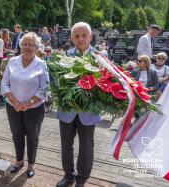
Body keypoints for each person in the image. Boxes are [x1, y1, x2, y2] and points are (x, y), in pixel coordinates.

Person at [56, 22, 101, 187]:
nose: (80, 39)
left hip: (88, 112)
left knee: (86, 147)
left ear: (90, 37)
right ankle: (68, 175)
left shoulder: (100, 57)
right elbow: (56, 81)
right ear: (72, 38)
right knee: (66, 146)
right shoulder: (64, 56)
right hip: (67, 110)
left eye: (84, 35)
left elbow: (106, 84)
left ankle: (81, 179)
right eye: (77, 36)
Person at [1, 32, 49, 178]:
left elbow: (44, 88)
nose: (27, 47)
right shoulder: (12, 61)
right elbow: (4, 83)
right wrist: (15, 102)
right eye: (24, 44)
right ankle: (19, 161)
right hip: (12, 106)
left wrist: (29, 103)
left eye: (31, 45)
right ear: (20, 46)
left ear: (37, 47)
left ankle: (31, 164)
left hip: (34, 108)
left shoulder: (41, 64)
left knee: (33, 136)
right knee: (17, 134)